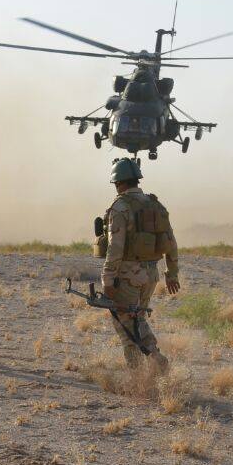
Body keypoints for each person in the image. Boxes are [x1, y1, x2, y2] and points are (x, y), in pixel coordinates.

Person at [98, 158, 179, 369]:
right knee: (137, 319)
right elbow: (170, 242)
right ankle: (152, 362)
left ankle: (144, 370)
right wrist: (172, 273)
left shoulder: (120, 207)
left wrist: (107, 279)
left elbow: (115, 247)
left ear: (119, 183)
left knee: (126, 328)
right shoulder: (155, 204)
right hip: (151, 275)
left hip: (127, 276)